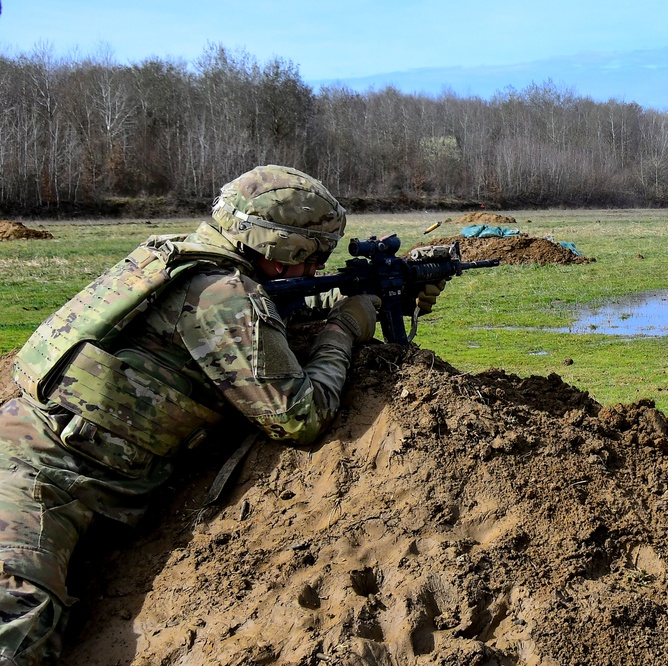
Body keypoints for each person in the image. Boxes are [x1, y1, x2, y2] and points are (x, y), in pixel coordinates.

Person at [0, 165, 405, 665]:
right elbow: (299, 416)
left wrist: (381, 292)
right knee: (16, 630)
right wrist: (343, 329)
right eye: (312, 256)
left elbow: (273, 311)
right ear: (280, 249)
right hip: (40, 477)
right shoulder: (221, 294)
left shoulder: (182, 257)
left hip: (44, 451)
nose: (314, 270)